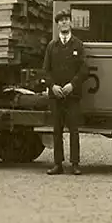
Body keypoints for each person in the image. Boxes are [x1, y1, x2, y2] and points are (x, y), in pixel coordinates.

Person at [42, 9, 88, 175]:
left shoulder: (78, 45)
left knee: (74, 131)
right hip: (56, 96)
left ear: (71, 23)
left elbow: (84, 70)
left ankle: (75, 164)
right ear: (57, 24)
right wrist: (52, 86)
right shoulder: (51, 46)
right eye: (61, 20)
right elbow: (45, 71)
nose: (64, 23)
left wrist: (72, 86)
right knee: (57, 130)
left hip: (72, 96)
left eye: (66, 19)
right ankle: (57, 164)